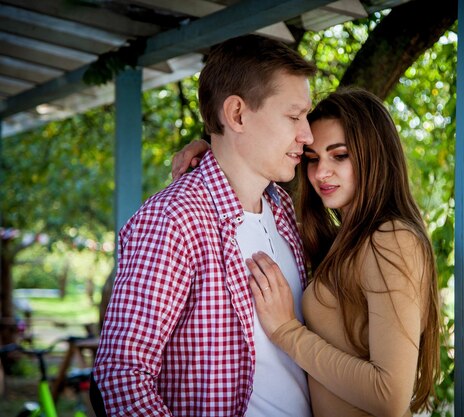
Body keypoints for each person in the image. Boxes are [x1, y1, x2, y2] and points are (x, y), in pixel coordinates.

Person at [174, 88, 441, 416]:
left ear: (375, 155)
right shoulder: (344, 242)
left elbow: (389, 396)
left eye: (339, 155)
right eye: (312, 158)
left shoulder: (392, 240)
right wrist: (216, 152)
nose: (320, 173)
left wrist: (287, 332)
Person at [92, 34, 317, 417]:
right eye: (294, 116)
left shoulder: (287, 212)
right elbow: (121, 375)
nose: (307, 134)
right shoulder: (172, 221)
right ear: (237, 115)